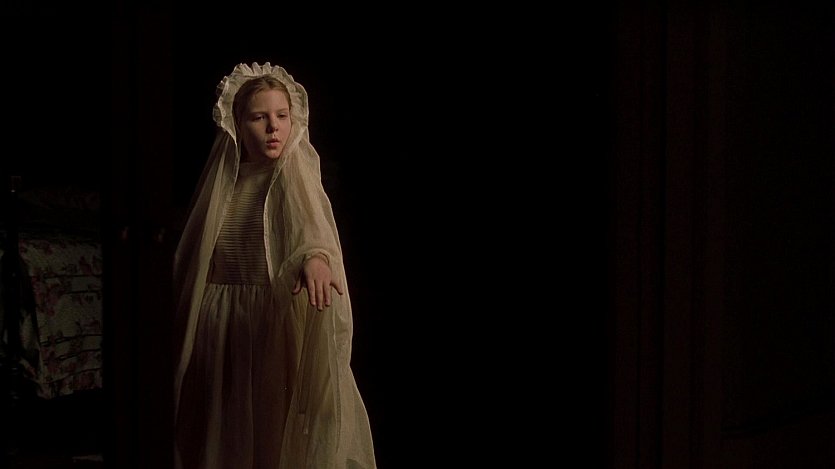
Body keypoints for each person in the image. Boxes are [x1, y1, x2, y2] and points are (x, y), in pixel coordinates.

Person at [172, 62, 376, 469]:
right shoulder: (224, 184)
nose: (273, 128)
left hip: (265, 322)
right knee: (223, 422)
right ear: (236, 124)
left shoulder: (289, 178)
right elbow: (198, 252)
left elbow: (310, 228)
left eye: (282, 116)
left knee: (267, 423)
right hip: (220, 319)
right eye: (259, 118)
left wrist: (315, 259)